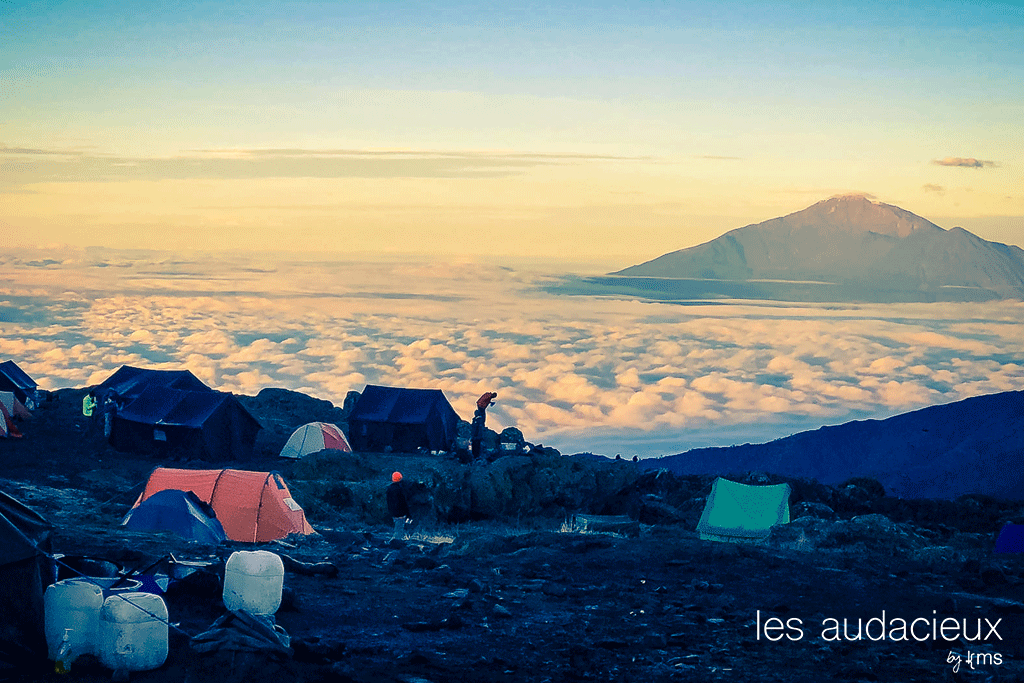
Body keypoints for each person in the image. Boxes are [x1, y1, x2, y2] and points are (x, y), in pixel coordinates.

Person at [471, 391, 497, 461]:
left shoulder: (488, 395)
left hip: (480, 405)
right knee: (483, 416)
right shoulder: (489, 395)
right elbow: (484, 400)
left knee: (482, 416)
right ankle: (482, 425)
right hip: (481, 406)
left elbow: (485, 400)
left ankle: (482, 424)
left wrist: (490, 402)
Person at [387, 471, 410, 540]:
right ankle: (395, 542)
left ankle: (397, 540)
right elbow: (403, 502)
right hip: (400, 513)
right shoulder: (400, 489)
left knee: (398, 527)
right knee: (399, 529)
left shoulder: (389, 488)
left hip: (393, 513)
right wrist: (407, 512)